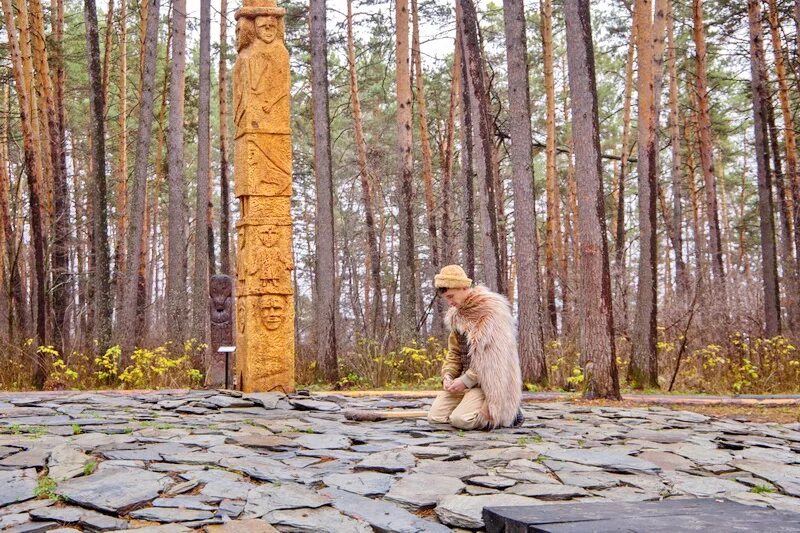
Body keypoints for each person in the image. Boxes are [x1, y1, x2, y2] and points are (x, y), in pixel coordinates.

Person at [428, 265, 525, 430]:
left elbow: (493, 360)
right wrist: (448, 376)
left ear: (464, 287)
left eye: (452, 296)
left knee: (461, 420)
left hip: (487, 382)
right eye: (446, 298)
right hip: (464, 382)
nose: (450, 302)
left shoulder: (490, 312)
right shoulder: (455, 316)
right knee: (435, 417)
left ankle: (510, 413)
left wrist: (466, 380)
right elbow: (455, 353)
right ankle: (467, 403)